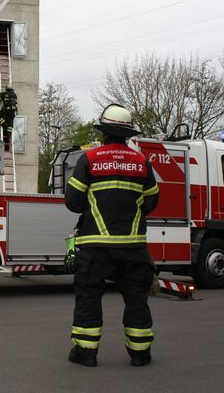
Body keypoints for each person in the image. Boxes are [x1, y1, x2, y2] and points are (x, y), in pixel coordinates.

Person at [63, 104, 160, 368]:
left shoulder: (90, 160)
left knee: (89, 296)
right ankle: (140, 353)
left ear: (104, 132)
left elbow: (72, 202)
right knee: (136, 298)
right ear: (128, 135)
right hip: (133, 247)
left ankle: (85, 352)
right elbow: (152, 203)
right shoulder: (142, 163)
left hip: (95, 246)